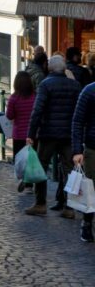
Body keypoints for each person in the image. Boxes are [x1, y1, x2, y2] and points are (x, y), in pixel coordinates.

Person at [25, 55, 81, 218]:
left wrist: (31, 133)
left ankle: (40, 203)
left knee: (41, 167)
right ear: (64, 69)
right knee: (69, 169)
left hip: (48, 133)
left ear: (49, 68)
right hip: (68, 134)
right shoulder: (75, 85)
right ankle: (69, 206)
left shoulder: (46, 84)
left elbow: (37, 111)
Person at [72, 81, 95, 242]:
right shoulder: (89, 91)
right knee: (91, 189)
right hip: (93, 148)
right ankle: (87, 224)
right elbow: (77, 121)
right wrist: (77, 150)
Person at [6, 71, 36, 194]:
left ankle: (23, 178)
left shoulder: (14, 98)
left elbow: (9, 115)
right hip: (33, 134)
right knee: (32, 159)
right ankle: (29, 184)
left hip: (19, 134)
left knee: (20, 159)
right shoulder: (35, 96)